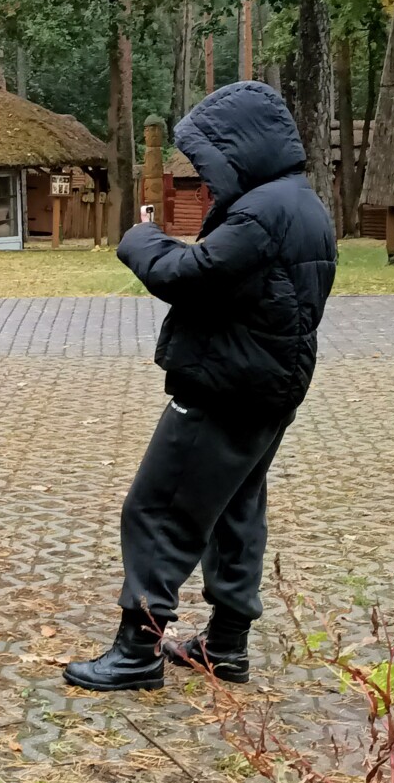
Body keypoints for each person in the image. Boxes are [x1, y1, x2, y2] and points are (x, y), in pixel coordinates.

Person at [63, 81, 337, 692]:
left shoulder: (263, 212)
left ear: (240, 148)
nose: (206, 174)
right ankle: (227, 645)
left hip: (226, 387)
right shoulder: (302, 204)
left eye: (210, 157)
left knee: (159, 509)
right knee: (234, 510)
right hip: (267, 388)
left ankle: (137, 651)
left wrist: (141, 239)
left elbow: (190, 274)